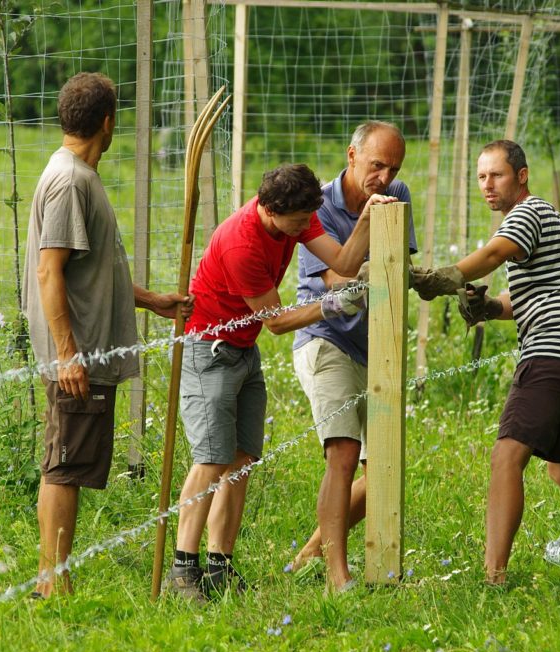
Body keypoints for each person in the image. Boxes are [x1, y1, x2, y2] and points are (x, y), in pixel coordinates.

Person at [165, 163, 397, 602]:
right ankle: (182, 570)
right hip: (208, 348)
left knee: (242, 459)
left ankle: (219, 566)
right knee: (212, 460)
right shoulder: (242, 244)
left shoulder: (300, 212)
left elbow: (343, 261)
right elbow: (276, 322)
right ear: (270, 210)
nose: (301, 230)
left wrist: (365, 218)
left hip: (243, 351)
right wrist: (330, 306)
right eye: (295, 223)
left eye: (307, 219)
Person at [417, 139, 560, 584]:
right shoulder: (544, 223)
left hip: (555, 351)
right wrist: (487, 309)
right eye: (480, 177)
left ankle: (493, 578)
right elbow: (524, 300)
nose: (487, 185)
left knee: (506, 457)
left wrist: (446, 277)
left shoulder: (527, 213)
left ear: (521, 176)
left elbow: (495, 253)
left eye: (496, 175)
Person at [21, 72, 191, 598]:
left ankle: (56, 576)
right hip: (78, 354)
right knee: (65, 466)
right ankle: (53, 583)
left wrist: (152, 300)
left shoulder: (74, 173)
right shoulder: (71, 181)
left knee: (68, 461)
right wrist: (69, 355)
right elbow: (50, 271)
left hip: (86, 347)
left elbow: (91, 270)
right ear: (108, 123)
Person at [288, 121, 418, 593]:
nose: (384, 177)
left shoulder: (397, 194)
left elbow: (400, 264)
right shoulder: (317, 206)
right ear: (351, 155)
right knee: (343, 452)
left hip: (376, 346)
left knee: (380, 463)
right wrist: (372, 263)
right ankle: (337, 576)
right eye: (376, 165)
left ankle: (312, 549)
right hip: (325, 339)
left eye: (392, 168)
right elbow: (333, 283)